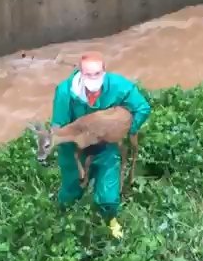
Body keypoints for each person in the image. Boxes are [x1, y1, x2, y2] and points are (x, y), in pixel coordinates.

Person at [51, 52, 151, 227]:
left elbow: (142, 107)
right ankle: (63, 218)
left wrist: (127, 129)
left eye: (97, 73)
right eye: (88, 74)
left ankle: (111, 220)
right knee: (71, 188)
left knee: (108, 194)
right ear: (80, 73)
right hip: (76, 147)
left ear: (104, 71)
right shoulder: (65, 92)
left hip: (106, 145)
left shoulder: (118, 86)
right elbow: (59, 126)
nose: (93, 78)